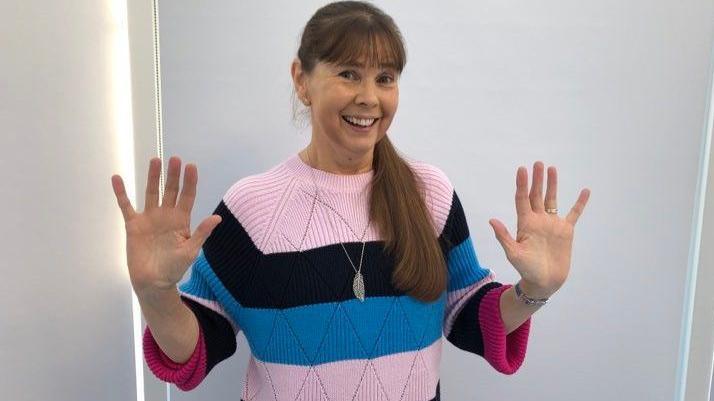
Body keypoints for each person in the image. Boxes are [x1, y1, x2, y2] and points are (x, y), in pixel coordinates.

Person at [111, 1, 590, 399]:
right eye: (348, 73)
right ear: (302, 80)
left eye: (385, 78)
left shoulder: (431, 195)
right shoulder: (252, 208)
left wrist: (536, 290)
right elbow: (195, 347)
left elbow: (467, 314)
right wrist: (155, 294)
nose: (369, 97)